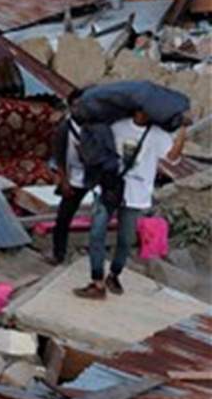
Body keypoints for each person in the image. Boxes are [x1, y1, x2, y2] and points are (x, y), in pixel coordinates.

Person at [75, 110, 183, 300]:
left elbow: (173, 157)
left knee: (125, 239)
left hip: (136, 194)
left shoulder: (158, 135)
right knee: (96, 233)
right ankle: (97, 281)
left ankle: (114, 275)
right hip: (109, 188)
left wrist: (183, 131)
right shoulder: (118, 126)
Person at [46, 92, 90, 266]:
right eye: (77, 105)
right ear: (71, 107)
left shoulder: (94, 126)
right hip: (74, 178)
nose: (80, 109)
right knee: (64, 217)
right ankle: (58, 253)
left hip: (93, 177)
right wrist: (63, 180)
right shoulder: (64, 129)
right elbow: (59, 157)